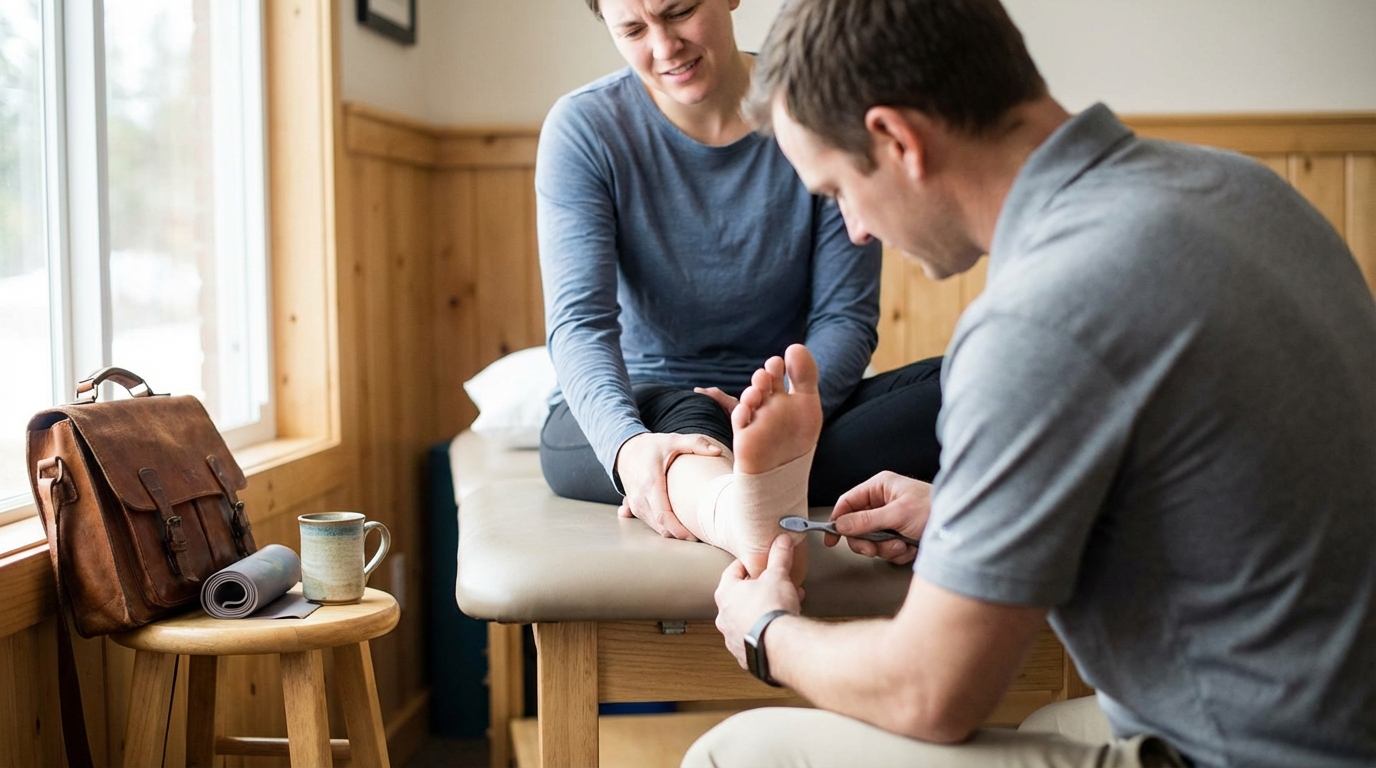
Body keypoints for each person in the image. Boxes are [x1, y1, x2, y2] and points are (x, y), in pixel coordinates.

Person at [687, 0, 1376, 766]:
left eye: (839, 190)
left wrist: (766, 631)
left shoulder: (1039, 316)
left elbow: (930, 694)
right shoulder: (1244, 190)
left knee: (741, 753)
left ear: (895, 139)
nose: (854, 228)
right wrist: (967, 510)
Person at [536, 0, 945, 577]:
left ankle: (752, 474)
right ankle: (740, 507)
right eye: (632, 30)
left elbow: (845, 319)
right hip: (647, 410)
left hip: (793, 412)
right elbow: (580, 324)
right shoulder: (585, 129)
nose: (664, 47)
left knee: (964, 383)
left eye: (678, 12)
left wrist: (781, 415)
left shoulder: (816, 112)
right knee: (685, 416)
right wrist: (627, 447)